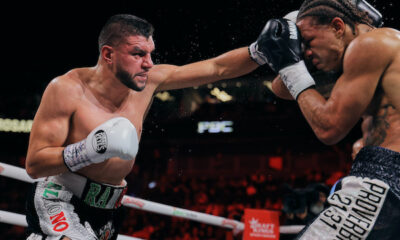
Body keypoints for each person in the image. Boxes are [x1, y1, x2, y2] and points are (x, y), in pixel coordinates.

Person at [24, 14, 260, 240]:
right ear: (108, 54)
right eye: (138, 54)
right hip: (61, 197)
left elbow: (217, 68)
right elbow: (34, 164)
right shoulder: (67, 89)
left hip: (109, 208)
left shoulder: (148, 83)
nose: (149, 64)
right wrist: (87, 149)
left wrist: (259, 52)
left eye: (150, 54)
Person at [250, 0, 400, 239]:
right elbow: (280, 88)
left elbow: (329, 128)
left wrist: (290, 65)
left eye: (308, 42)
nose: (306, 52)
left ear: (338, 26)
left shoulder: (370, 44)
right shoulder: (384, 52)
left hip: (386, 175)